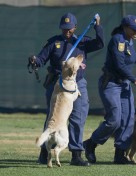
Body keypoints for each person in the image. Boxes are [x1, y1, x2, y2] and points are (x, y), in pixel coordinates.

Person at [28, 12, 104, 166]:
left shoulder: (82, 42)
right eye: (64, 28)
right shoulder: (53, 42)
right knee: (53, 118)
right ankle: (44, 152)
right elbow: (41, 59)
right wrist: (35, 61)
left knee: (78, 117)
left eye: (70, 28)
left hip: (77, 84)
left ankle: (76, 155)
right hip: (57, 84)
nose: (67, 31)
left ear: (75, 27)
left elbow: (100, 44)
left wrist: (98, 26)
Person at [83, 14, 136, 164]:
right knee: (114, 120)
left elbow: (128, 60)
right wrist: (134, 80)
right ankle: (91, 143)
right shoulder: (118, 40)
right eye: (134, 30)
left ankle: (120, 155)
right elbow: (119, 64)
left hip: (124, 85)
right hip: (111, 84)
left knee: (128, 119)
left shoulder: (130, 41)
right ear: (125, 28)